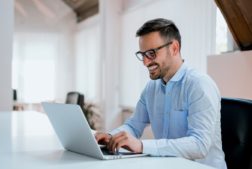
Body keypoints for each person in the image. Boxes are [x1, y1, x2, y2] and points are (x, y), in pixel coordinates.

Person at [95, 18, 227, 169]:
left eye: (151, 53)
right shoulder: (151, 88)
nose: (145, 62)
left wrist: (141, 146)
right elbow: (134, 125)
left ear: (174, 48)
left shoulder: (199, 85)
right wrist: (112, 137)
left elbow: (199, 145)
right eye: (142, 54)